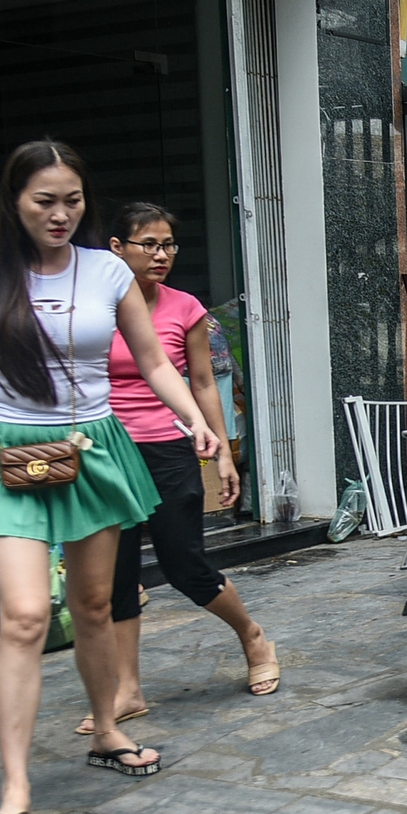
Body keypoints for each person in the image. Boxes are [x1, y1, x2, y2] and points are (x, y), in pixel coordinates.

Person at [0, 140, 217, 814]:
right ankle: (16, 784)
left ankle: (107, 727)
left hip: (92, 448)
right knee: (23, 613)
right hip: (8, 452)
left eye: (71, 200)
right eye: (44, 200)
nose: (59, 213)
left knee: (92, 606)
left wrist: (195, 418)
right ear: (14, 201)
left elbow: (151, 360)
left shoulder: (106, 269)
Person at [83, 202, 278, 736]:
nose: (162, 255)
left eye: (169, 244)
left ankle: (252, 635)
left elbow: (199, 381)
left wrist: (221, 451)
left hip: (167, 450)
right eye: (149, 244)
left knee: (184, 565)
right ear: (116, 248)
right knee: (116, 575)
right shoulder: (90, 309)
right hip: (104, 454)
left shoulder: (184, 307)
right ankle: (127, 689)